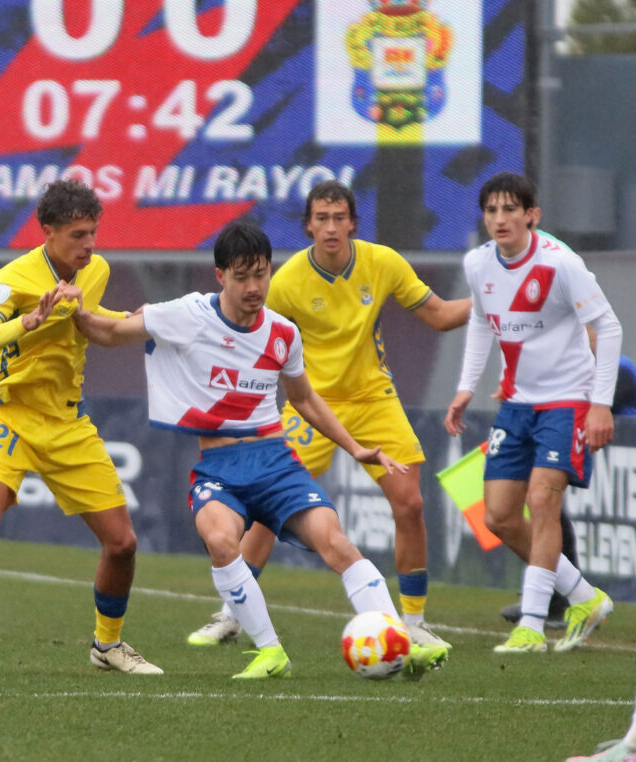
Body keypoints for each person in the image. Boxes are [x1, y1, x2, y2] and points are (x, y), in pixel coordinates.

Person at [69, 220, 449, 679]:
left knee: (336, 544)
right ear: (220, 276)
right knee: (221, 539)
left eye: (262, 274)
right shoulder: (188, 314)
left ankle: (400, 644)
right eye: (242, 276)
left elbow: (304, 399)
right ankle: (271, 653)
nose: (254, 287)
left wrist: (355, 448)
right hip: (219, 469)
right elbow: (109, 332)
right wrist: (73, 309)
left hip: (275, 463)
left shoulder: (283, 333)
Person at [187, 180, 469, 650]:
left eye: (339, 218)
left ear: (353, 223)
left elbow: (439, 315)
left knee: (411, 503)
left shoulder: (383, 263)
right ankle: (233, 614)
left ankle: (413, 624)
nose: (331, 227)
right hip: (311, 404)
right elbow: (248, 326)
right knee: (263, 506)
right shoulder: (290, 279)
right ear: (308, 226)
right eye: (322, 218)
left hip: (375, 398)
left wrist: (494, 302)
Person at [0, 179, 161, 676]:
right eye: (77, 235)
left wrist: (137, 322)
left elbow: (89, 327)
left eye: (93, 233)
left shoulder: (97, 270)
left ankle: (107, 646)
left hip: (68, 422)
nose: (89, 245)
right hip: (12, 418)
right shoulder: (15, 278)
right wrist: (25, 323)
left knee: (123, 543)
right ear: (47, 232)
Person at [445, 171, 621, 653]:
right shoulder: (478, 264)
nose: (500, 219)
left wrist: (600, 404)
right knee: (499, 515)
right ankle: (584, 597)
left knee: (544, 502)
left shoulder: (561, 264)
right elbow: (482, 322)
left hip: (568, 400)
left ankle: (532, 623)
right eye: (491, 211)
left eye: (509, 210)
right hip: (516, 403)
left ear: (531, 216)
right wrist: (465, 388)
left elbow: (608, 328)